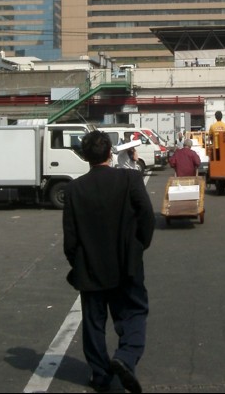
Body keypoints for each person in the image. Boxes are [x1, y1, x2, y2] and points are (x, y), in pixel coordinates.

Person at [62, 130, 155, 394]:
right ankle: (125, 357)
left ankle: (101, 375)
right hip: (127, 263)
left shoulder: (74, 189)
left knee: (93, 323)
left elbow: (71, 238)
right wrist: (138, 247)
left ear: (85, 157)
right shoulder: (130, 178)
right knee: (134, 313)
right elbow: (146, 216)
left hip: (90, 267)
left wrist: (77, 261)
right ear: (110, 152)